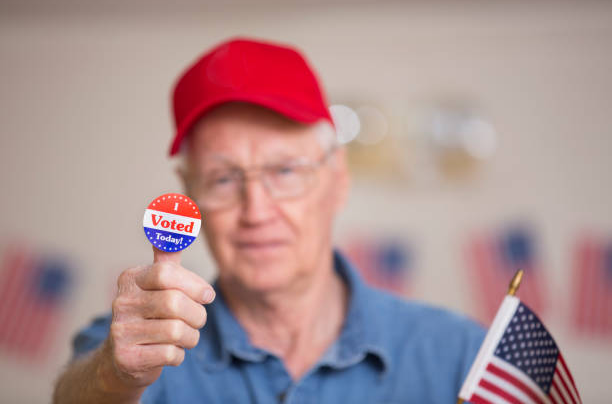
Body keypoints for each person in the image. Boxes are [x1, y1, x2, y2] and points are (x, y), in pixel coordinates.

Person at [53, 37, 485, 404]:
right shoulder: (134, 347)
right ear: (189, 194)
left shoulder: (462, 355)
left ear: (337, 180)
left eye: (285, 171)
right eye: (223, 178)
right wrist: (114, 376)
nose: (256, 211)